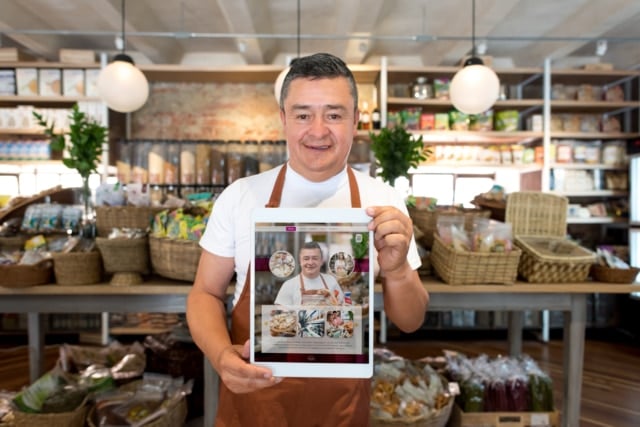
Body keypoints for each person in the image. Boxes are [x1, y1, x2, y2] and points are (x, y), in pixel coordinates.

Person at [187, 52, 430, 426]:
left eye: (334, 115)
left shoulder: (383, 202)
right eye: (303, 115)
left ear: (355, 121)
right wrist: (220, 356)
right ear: (283, 119)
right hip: (256, 404)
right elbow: (205, 292)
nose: (318, 131)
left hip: (342, 410)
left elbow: (411, 321)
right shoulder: (241, 196)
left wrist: (397, 272)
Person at [274, 241, 343, 306]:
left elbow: (342, 307)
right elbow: (279, 314)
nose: (310, 263)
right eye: (306, 259)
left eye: (315, 258)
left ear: (321, 261)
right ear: (300, 261)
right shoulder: (289, 285)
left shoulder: (331, 281)